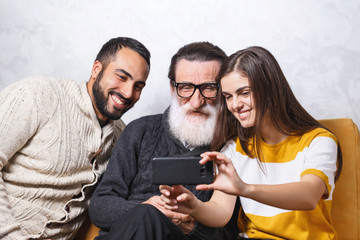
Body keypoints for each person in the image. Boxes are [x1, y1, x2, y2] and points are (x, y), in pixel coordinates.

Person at [160, 46, 343, 240]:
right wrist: (195, 207)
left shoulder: (318, 140)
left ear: (270, 89)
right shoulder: (234, 148)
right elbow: (221, 211)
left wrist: (246, 188)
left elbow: (309, 195)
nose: (235, 105)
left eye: (244, 93)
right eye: (229, 97)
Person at [0, 37, 150, 240]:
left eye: (138, 86)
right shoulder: (38, 94)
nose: (128, 92)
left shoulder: (122, 137)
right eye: (122, 77)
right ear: (97, 69)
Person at [89, 41, 240, 240]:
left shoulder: (233, 149)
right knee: (146, 215)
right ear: (172, 88)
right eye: (185, 88)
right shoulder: (140, 131)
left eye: (209, 88)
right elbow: (100, 207)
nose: (196, 102)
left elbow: (230, 233)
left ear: (223, 90)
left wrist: (192, 226)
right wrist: (147, 207)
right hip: (126, 233)